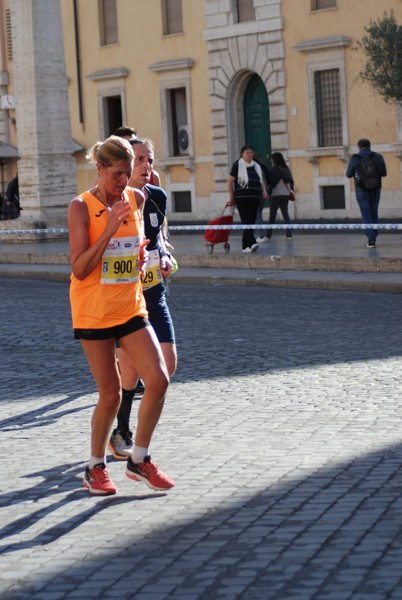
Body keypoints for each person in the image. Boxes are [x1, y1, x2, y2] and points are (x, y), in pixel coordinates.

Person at [68, 135, 174, 495]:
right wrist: (109, 229)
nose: (122, 181)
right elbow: (80, 268)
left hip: (130, 306)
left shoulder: (137, 197)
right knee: (110, 394)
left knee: (158, 380)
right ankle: (95, 467)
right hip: (94, 311)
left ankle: (139, 458)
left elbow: (140, 242)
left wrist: (142, 252)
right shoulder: (80, 207)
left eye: (127, 173)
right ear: (99, 169)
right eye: (116, 174)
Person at [108, 136, 177, 459]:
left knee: (168, 366)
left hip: (155, 293)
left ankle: (134, 434)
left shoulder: (159, 197)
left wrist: (164, 256)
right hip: (127, 299)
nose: (146, 166)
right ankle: (123, 431)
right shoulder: (115, 202)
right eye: (139, 160)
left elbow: (159, 238)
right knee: (132, 373)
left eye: (149, 159)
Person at [346, 138, 387, 248]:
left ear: (359, 147)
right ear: (369, 145)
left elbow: (348, 174)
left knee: (366, 213)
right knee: (374, 212)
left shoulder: (355, 158)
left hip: (361, 190)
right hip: (376, 189)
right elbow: (384, 173)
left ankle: (371, 239)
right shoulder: (378, 157)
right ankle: (374, 234)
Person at [228, 145, 268, 253]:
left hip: (254, 198)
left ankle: (245, 246)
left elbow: (260, 180)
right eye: (247, 153)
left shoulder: (256, 166)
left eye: (251, 152)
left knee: (250, 222)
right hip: (242, 199)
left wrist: (264, 191)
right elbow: (230, 180)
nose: (250, 154)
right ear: (242, 154)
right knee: (246, 221)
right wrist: (231, 196)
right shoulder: (237, 165)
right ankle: (253, 242)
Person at [266, 152, 294, 240]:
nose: (271, 160)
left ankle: (268, 235)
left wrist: (268, 192)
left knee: (272, 216)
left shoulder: (273, 169)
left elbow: (270, 182)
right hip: (285, 194)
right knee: (285, 214)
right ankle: (289, 235)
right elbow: (291, 181)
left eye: (272, 158)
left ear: (275, 159)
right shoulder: (287, 169)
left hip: (276, 194)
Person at [253, 152, 271, 244]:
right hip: (263, 193)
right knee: (258, 214)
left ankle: (261, 235)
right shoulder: (262, 166)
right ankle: (259, 234)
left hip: (257, 193)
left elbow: (262, 179)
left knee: (256, 215)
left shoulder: (255, 167)